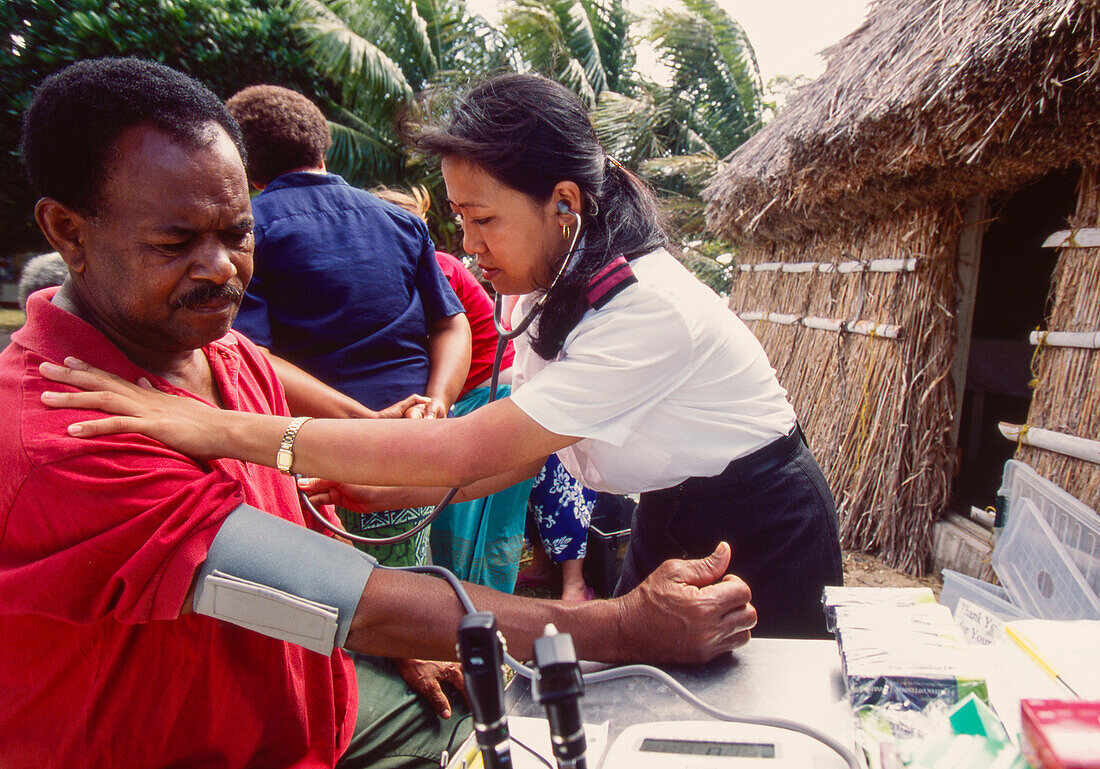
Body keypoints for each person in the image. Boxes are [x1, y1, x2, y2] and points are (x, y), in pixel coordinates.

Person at [7, 57, 756, 769]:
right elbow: (333, 597)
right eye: (175, 242)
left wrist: (403, 638)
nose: (221, 269)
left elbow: (330, 533)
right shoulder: (66, 429)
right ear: (69, 231)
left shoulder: (212, 347)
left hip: (314, 712)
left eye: (238, 233)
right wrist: (616, 627)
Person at [224, 85, 472, 565]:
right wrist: (436, 405)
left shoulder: (248, 232)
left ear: (243, 165)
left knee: (328, 600)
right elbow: (451, 323)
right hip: (410, 444)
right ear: (323, 146)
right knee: (406, 588)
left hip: (314, 454)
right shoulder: (398, 220)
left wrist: (361, 423)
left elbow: (250, 356)